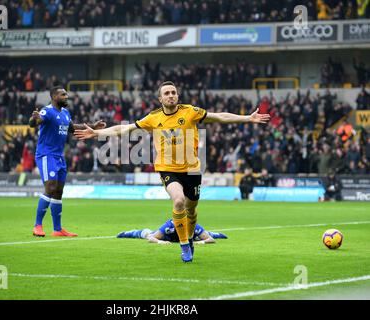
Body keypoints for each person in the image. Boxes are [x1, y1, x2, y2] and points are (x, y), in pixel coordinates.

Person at [74, 81, 270, 262]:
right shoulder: (153, 118)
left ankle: (189, 238)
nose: (170, 96)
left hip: (192, 169)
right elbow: (123, 129)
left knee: (191, 209)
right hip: (168, 169)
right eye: (166, 93)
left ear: (178, 96)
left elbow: (219, 117)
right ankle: (185, 246)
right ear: (160, 99)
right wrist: (97, 133)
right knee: (178, 201)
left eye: (173, 93)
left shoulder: (190, 112)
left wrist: (247, 118)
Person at [29, 86, 106, 237]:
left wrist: (92, 126)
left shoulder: (65, 113)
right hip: (46, 155)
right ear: (54, 97)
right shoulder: (47, 110)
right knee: (50, 187)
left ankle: (57, 229)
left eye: (66, 94)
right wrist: (34, 118)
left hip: (59, 156)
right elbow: (35, 121)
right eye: (63, 94)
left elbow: (72, 128)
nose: (66, 96)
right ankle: (37, 225)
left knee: (58, 191)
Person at [117, 219, 228, 244]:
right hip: (168, 238)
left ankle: (217, 233)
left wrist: (200, 242)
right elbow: (151, 239)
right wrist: (161, 242)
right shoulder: (169, 225)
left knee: (202, 236)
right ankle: (129, 233)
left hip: (189, 237)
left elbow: (211, 240)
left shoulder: (193, 225)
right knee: (148, 234)